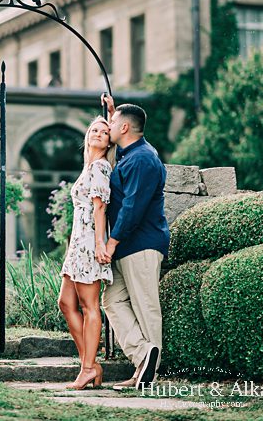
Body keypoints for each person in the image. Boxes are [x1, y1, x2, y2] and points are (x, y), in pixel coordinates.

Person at [99, 94, 169, 391]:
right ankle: (143, 355)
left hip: (140, 244)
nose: (108, 126)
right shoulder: (136, 153)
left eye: (112, 123)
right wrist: (115, 112)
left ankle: (148, 375)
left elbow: (133, 207)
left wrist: (112, 242)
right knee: (112, 301)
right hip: (129, 245)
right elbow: (129, 127)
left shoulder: (142, 159)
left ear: (124, 128)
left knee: (145, 305)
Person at [58, 117, 114, 390]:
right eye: (95, 130)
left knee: (89, 306)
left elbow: (99, 207)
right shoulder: (89, 166)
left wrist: (100, 244)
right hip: (78, 244)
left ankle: (88, 367)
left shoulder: (102, 167)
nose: (99, 134)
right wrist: (110, 110)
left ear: (110, 141)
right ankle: (89, 363)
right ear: (87, 135)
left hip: (91, 242)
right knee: (66, 303)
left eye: (105, 132)